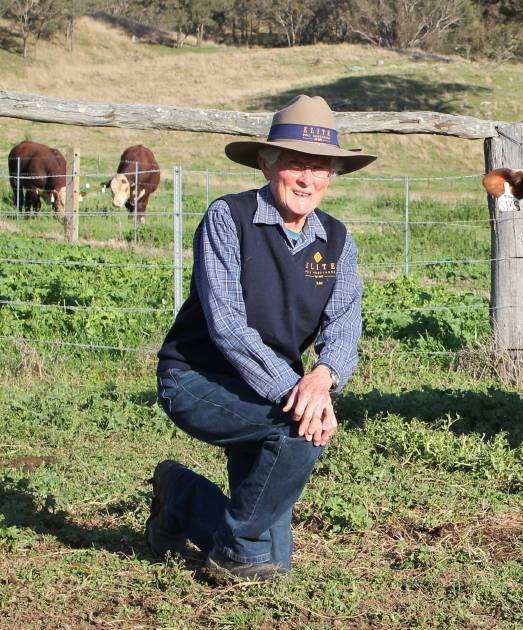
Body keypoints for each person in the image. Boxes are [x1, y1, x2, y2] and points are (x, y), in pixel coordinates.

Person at [149, 95, 375, 583]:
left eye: (320, 168)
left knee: (273, 564)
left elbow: (345, 323)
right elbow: (227, 324)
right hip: (196, 377)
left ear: (333, 175)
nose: (307, 179)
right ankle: (235, 548)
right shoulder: (228, 218)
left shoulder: (337, 241)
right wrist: (294, 392)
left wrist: (321, 377)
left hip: (272, 388)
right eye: (296, 164)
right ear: (269, 163)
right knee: (298, 431)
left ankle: (180, 495)